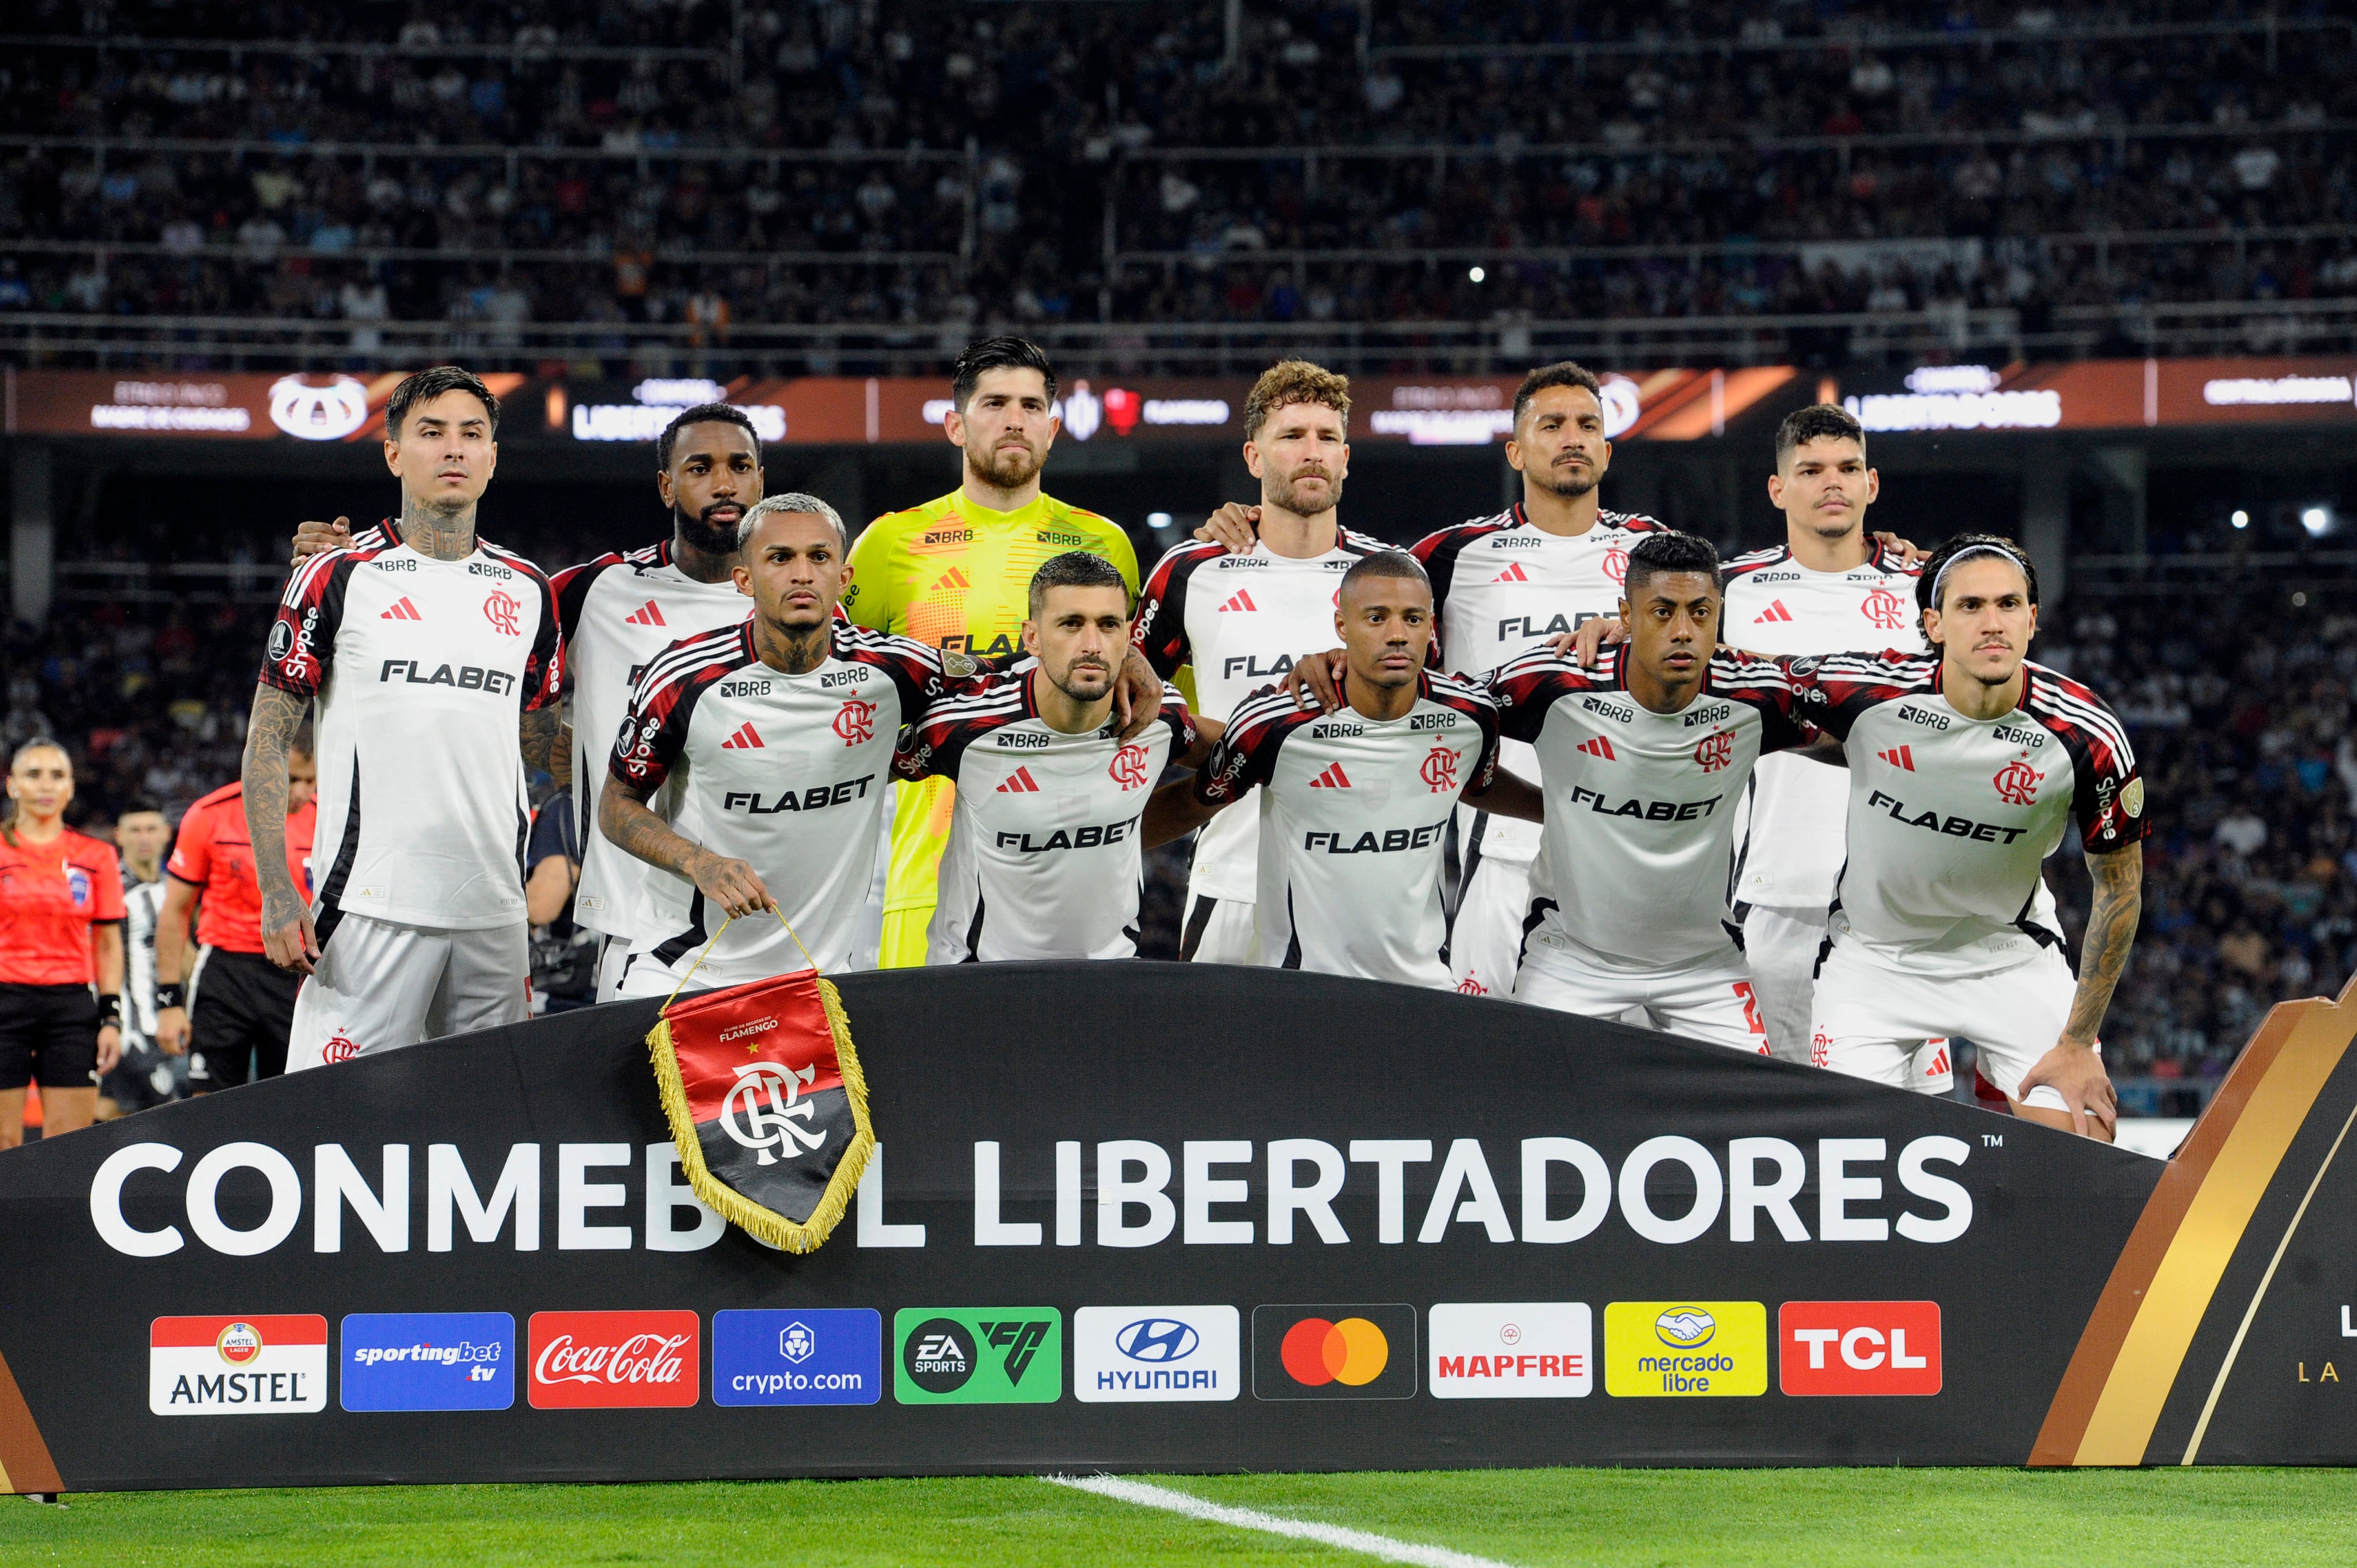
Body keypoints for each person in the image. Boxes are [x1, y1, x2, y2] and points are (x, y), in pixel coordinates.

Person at [287, 404, 768, 1004]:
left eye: (739, 466)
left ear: (760, 480)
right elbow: (468, 610)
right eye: (701, 467)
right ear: (667, 486)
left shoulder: (808, 608)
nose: (723, 483)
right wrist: (348, 563)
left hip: (785, 907)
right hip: (642, 919)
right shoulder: (595, 590)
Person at [245, 365, 564, 1068]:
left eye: (471, 434)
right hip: (368, 907)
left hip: (494, 911)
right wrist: (275, 890)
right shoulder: (337, 573)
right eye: (431, 433)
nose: (453, 449)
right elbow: (268, 737)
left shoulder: (530, 589)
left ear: (491, 458)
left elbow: (540, 741)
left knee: (493, 1135)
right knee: (333, 1134)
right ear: (394, 454)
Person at [1793, 534, 2145, 1140]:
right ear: (1932, 622)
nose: (1992, 623)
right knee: (1846, 1158)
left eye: (2008, 605)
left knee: (2087, 1151)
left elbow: (2119, 891)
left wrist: (2077, 1040)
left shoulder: (2085, 732)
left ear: (2032, 619)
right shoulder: (1868, 691)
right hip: (1874, 959)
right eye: (1969, 606)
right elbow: (1730, 675)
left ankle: (1999, 1080)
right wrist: (1631, 644)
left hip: (2006, 955)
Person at [601, 495, 983, 996]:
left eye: (819, 557)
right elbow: (616, 806)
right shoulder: (684, 678)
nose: (802, 574)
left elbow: (1020, 689)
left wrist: (1124, 662)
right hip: (682, 968)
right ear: (745, 580)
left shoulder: (898, 672)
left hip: (820, 977)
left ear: (843, 578)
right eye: (780, 558)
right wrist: (699, 862)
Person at [843, 337, 1143, 969]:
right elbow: (840, 692)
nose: (1014, 420)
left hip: (1078, 883)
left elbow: (1139, 699)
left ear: (1053, 428)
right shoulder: (891, 543)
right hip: (924, 873)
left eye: (1032, 406)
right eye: (995, 403)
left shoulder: (1104, 546)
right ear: (955, 424)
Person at [1489, 532, 1831, 1051]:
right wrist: (1553, 811)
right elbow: (1447, 733)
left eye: (1700, 614)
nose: (1683, 632)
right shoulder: (1556, 682)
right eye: (1662, 612)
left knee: (1750, 1125)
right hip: (1572, 956)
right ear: (1626, 616)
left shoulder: (1755, 696)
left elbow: (1863, 735)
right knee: (1539, 1116)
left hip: (1704, 963)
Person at [1145, 553, 1540, 987]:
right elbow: (1193, 802)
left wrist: (1561, 811)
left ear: (1431, 627)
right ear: (1342, 627)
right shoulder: (1275, 724)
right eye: (1376, 618)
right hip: (1300, 985)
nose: (1397, 635)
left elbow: (1478, 787)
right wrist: (1095, 845)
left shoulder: (1471, 715)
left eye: (1412, 619)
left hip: (1425, 985)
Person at [1131, 360, 1390, 964]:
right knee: (1219, 1061)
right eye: (1291, 436)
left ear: (1346, 459)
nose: (1311, 453)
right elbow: (1126, 700)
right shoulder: (1190, 570)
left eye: (1327, 438)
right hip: (1232, 882)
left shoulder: (1388, 579)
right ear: (1253, 458)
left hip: (1369, 885)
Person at [1720, 404, 1927, 1063]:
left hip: (1901, 898)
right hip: (1777, 884)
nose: (1830, 483)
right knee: (1776, 1104)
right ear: (1778, 489)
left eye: (1845, 468)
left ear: (1872, 484)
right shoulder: (1726, 594)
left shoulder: (1929, 590)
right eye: (1809, 471)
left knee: (1904, 1115)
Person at [900, 552, 1206, 963]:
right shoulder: (963, 725)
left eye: (1109, 625)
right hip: (977, 982)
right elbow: (856, 772)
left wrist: (1215, 792)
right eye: (1071, 624)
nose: (1092, 645)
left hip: (1111, 977)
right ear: (1032, 638)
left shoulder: (1158, 714)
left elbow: (1243, 752)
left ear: (1129, 636)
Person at [157, 742, 318, 1092]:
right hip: (226, 975)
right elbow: (175, 912)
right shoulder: (210, 814)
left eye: (310, 780)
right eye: (290, 780)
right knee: (209, 1104)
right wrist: (169, 1000)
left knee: (295, 1102)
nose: (301, 792)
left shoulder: (331, 819)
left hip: (300, 976)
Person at [0, 741, 125, 1147]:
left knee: (68, 1147)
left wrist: (111, 1018)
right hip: (5, 1002)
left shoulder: (97, 855)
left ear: (71, 787)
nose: (45, 785)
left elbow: (108, 943)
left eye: (57, 775)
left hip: (70, 1009)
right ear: (12, 785)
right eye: (33, 774)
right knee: (3, 1141)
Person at [100, 801, 184, 1117]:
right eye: (135, 830)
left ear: (166, 833)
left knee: (109, 1113)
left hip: (167, 1019)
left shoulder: (174, 890)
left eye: (151, 829)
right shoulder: (110, 889)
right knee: (169, 1114)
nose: (144, 838)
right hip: (130, 1028)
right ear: (119, 836)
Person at [524, 785, 599, 1014]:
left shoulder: (566, 804)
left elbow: (542, 907)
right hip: (616, 972)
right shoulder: (606, 797)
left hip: (572, 991)